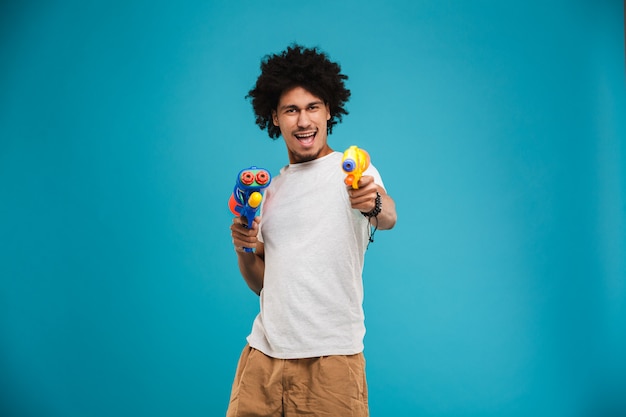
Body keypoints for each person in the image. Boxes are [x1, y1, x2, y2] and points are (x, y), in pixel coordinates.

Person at [227, 44, 397, 417]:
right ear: (274, 117)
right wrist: (243, 247)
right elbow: (262, 282)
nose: (303, 121)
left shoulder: (352, 171)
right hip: (263, 360)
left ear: (329, 111)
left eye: (312, 108)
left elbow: (388, 216)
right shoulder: (268, 192)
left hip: (331, 361)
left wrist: (373, 203)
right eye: (291, 110)